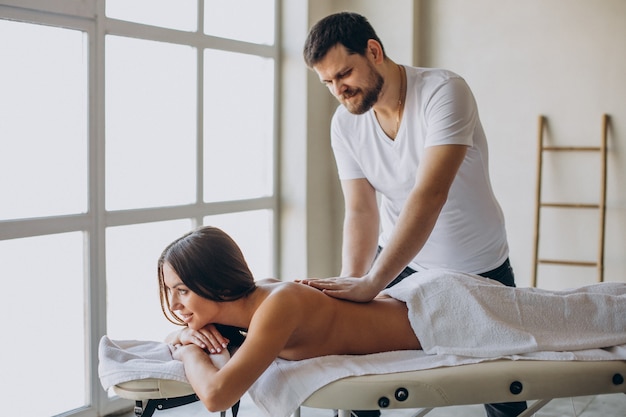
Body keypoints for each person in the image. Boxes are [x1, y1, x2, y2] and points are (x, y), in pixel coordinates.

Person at [300, 12, 522, 417]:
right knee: (355, 361)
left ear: (374, 51)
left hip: (478, 265)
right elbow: (361, 210)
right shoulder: (345, 125)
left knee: (506, 393)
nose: (339, 90)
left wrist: (372, 282)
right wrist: (354, 282)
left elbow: (429, 195)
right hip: (405, 261)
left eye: (345, 74)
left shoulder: (444, 92)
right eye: (328, 82)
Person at [160, 226, 626, 415]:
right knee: (571, 309)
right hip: (426, 306)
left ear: (216, 281)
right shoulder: (255, 305)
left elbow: (218, 396)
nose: (177, 303)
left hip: (445, 311)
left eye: (183, 289)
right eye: (170, 292)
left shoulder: (275, 306)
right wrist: (188, 331)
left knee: (581, 315)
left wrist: (186, 347)